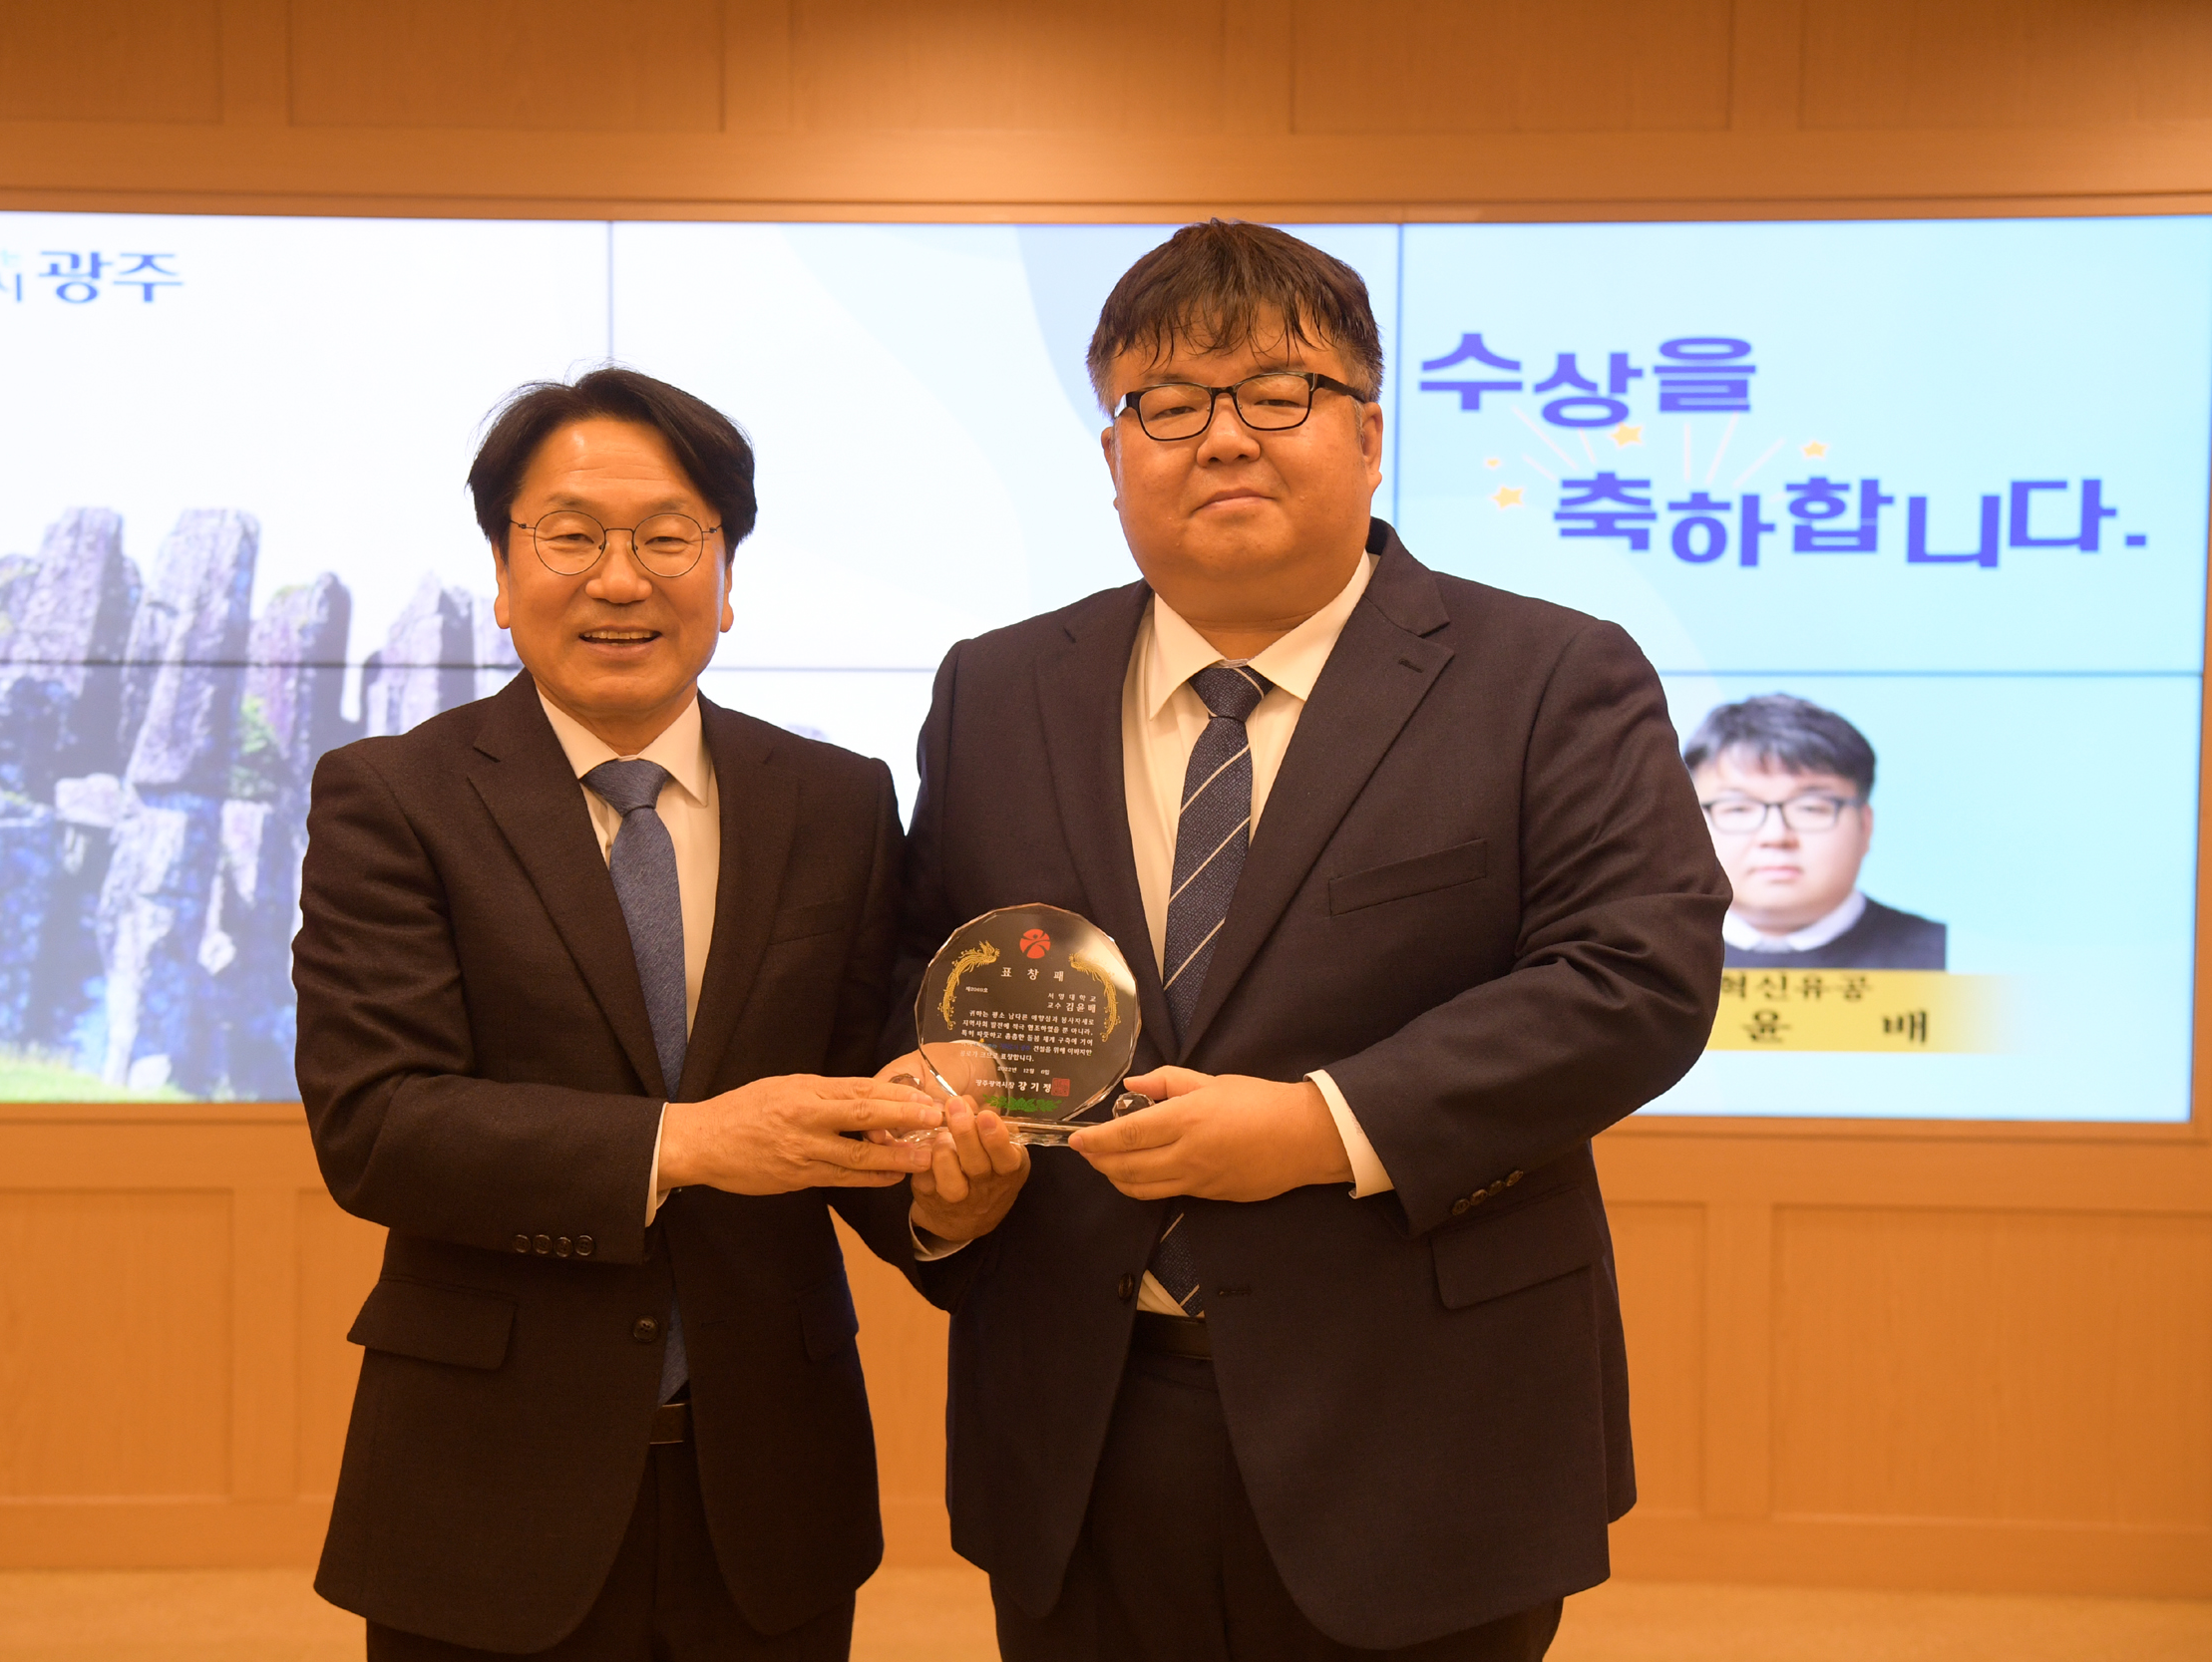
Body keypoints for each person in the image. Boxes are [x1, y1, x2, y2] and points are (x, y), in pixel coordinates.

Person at [889, 222, 1729, 1660]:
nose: (1224, 437)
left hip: (1421, 1422)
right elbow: (918, 983)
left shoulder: (1546, 673)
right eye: (1169, 401)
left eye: (1278, 393)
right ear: (1112, 453)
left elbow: (1635, 976)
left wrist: (1317, 1125)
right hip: (1078, 1423)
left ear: (1370, 434)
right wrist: (940, 1163)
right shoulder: (998, 686)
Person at [293, 368, 1012, 1661]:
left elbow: (850, 1103)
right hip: (483, 1480)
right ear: (503, 572)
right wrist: (690, 1142)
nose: (620, 580)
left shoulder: (836, 801)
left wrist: (943, 1196)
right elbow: (378, 1123)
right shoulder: (394, 797)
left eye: (669, 537)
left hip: (772, 1484)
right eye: (571, 535)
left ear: (725, 576)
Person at [1682, 694, 1945, 971]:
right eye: (1738, 808)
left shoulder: (1951, 959)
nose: (1775, 836)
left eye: (1809, 808)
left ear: (1865, 825)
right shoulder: (1655, 959)